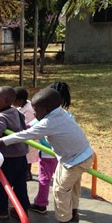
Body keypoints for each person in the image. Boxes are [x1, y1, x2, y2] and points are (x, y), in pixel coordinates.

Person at [0, 88, 93, 223]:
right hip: (80, 155)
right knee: (72, 185)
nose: (33, 113)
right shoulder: (60, 113)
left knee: (60, 190)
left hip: (75, 160)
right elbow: (33, 126)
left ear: (47, 110)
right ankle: (73, 212)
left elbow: (23, 135)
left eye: (36, 110)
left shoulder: (50, 122)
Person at [0, 86, 30, 219]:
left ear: (5, 101)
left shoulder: (1, 116)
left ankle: (1, 209)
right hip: (21, 155)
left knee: (3, 183)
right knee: (20, 183)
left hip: (9, 157)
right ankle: (21, 209)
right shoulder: (16, 112)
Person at [30, 82, 72, 214]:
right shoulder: (67, 115)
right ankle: (70, 206)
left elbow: (28, 128)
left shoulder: (44, 117)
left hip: (48, 154)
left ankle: (41, 204)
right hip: (63, 153)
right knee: (62, 180)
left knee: (44, 178)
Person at [12, 86, 39, 181]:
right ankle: (23, 172)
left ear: (19, 101)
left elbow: (27, 124)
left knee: (28, 157)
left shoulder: (29, 109)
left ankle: (28, 173)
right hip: (22, 136)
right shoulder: (19, 106)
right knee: (23, 156)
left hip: (30, 137)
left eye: (13, 100)